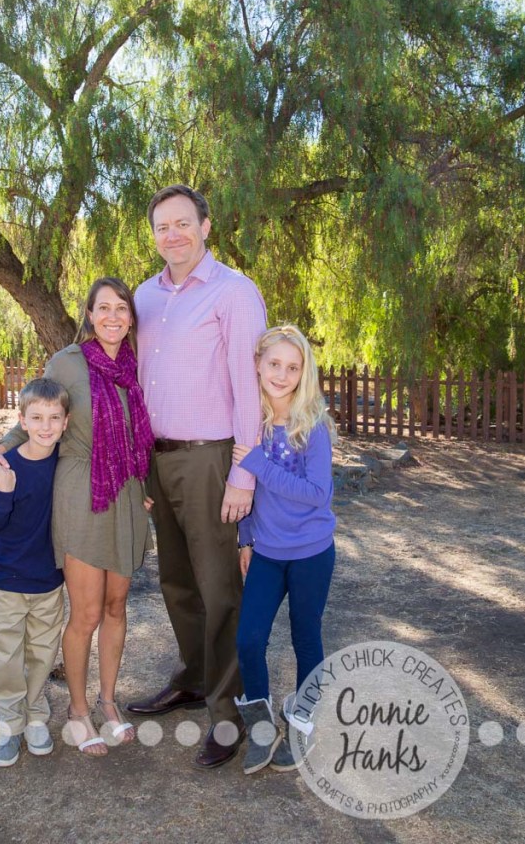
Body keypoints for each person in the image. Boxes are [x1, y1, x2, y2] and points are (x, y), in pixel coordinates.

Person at [126, 185, 267, 769]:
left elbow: (249, 389)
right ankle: (190, 677)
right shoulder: (144, 296)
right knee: (177, 581)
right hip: (157, 459)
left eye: (183, 223)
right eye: (162, 226)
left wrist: (243, 473)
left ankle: (228, 713)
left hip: (212, 460)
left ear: (206, 227)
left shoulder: (235, 293)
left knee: (219, 589)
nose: (173, 235)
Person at [0, 277, 154, 758]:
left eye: (122, 308)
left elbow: (147, 434)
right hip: (82, 490)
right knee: (85, 612)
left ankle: (107, 701)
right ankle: (78, 710)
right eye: (104, 308)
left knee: (117, 606)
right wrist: (3, 446)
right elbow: (40, 412)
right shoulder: (68, 362)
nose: (113, 316)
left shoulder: (138, 364)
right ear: (90, 313)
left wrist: (150, 490)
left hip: (128, 492)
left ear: (131, 317)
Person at [233, 325, 336, 775]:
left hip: (312, 551)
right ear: (257, 364)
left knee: (305, 636)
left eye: (292, 367)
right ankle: (260, 727)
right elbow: (245, 490)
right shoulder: (248, 423)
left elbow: (317, 492)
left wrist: (257, 461)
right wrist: (246, 537)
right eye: (274, 363)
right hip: (269, 552)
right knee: (249, 638)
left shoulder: (311, 426)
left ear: (303, 373)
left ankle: (303, 723)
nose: (281, 373)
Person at [0, 377, 70, 767]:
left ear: (66, 422)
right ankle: (9, 724)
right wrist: (4, 493)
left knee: (42, 653)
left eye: (54, 418)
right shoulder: (6, 464)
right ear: (22, 420)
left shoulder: (67, 466)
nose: (45, 426)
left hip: (48, 580)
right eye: (37, 418)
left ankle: (35, 716)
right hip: (7, 580)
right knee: (4, 654)